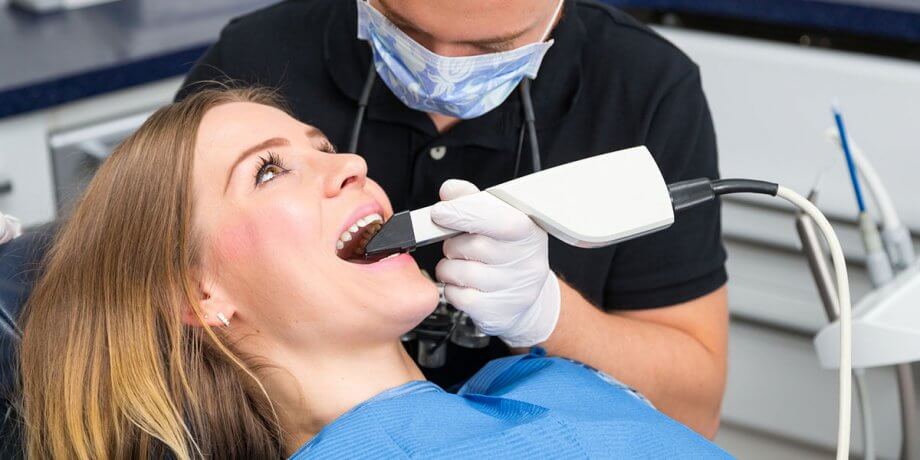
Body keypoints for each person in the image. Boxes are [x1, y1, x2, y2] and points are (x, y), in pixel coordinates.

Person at [18, 87, 730, 459]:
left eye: (323, 145)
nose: (350, 165)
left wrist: (549, 313)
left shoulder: (539, 381)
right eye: (268, 170)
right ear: (196, 294)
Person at [179, 0, 729, 436]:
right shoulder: (254, 56)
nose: (349, 164)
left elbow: (693, 413)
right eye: (404, 31)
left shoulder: (646, 87)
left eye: (492, 49)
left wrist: (548, 314)